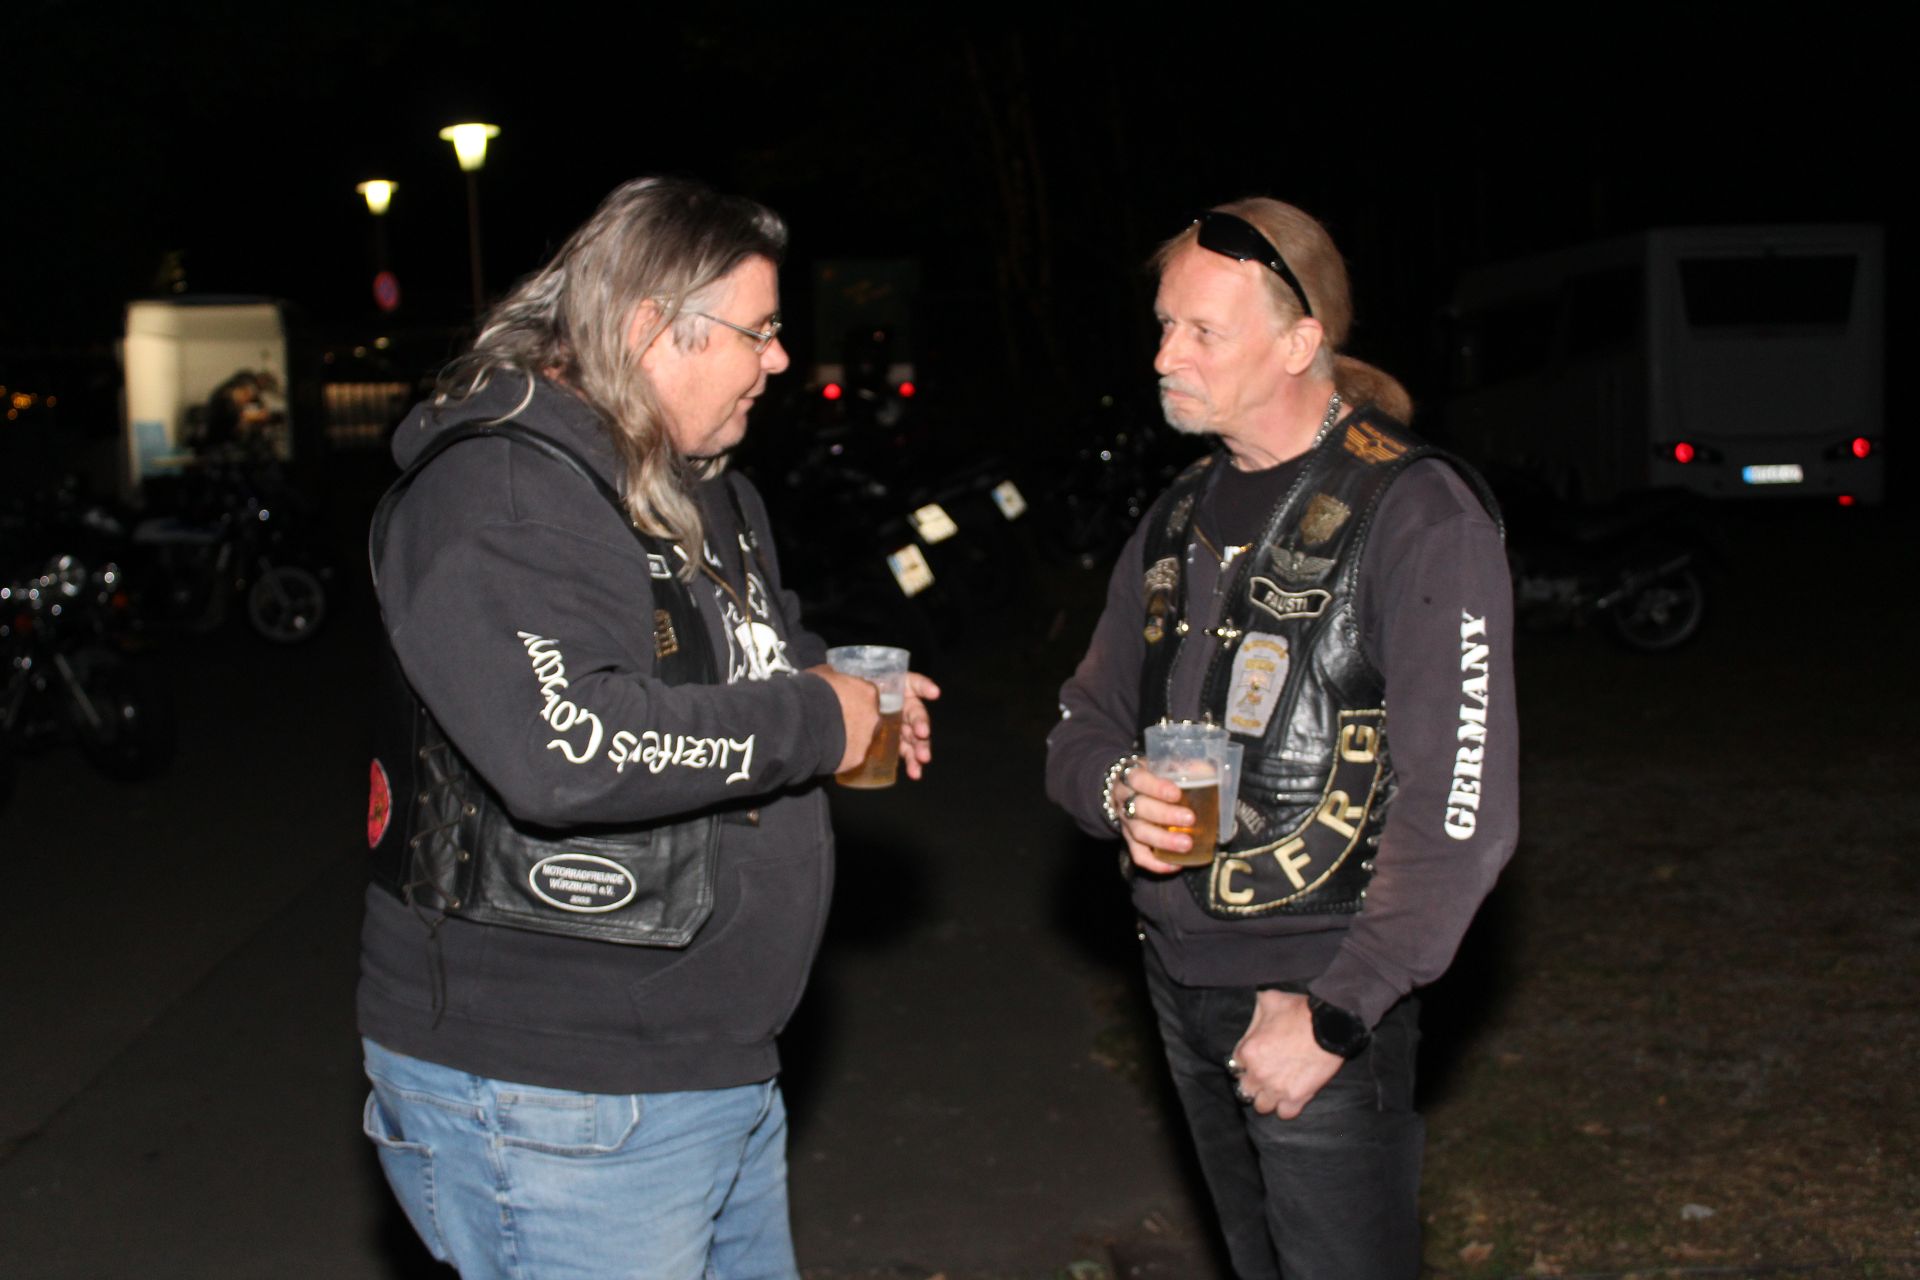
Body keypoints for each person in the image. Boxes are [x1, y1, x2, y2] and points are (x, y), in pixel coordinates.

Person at [359, 176, 938, 1280]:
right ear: (647, 328)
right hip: (559, 1092)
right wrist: (813, 719)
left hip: (702, 1066)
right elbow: (569, 747)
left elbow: (755, 656)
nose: (779, 359)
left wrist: (843, 690)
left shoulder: (704, 484)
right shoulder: (504, 489)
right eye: (759, 331)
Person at [1044, 199, 1518, 1278]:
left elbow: (1465, 809)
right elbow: (1083, 722)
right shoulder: (1174, 517)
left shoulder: (1417, 511)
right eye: (1164, 324)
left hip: (1321, 991)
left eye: (1202, 331)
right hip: (1180, 980)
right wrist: (1118, 790)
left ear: (1301, 343)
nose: (1164, 355)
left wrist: (1338, 1013)